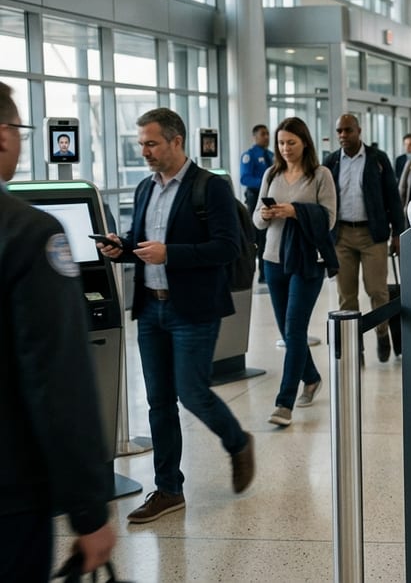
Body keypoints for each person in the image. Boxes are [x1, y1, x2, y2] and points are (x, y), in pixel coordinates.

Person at [95, 107, 255, 522]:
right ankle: (168, 489)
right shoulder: (145, 189)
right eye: (141, 144)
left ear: (176, 141)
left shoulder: (210, 188)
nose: (144, 151)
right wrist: (121, 247)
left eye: (151, 143)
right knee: (159, 402)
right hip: (151, 308)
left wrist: (171, 254)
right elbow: (142, 244)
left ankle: (238, 441)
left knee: (192, 392)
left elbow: (228, 247)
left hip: (193, 310)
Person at [0, 82, 116, 578]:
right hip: (10, 496)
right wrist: (89, 509)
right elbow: (58, 378)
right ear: (3, 136)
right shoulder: (29, 233)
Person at [255, 117, 338, 426]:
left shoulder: (320, 175)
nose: (285, 148)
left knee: (294, 329)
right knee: (288, 332)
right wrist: (266, 214)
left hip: (306, 261)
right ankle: (312, 377)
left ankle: (284, 403)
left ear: (304, 142)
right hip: (273, 259)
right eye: (281, 143)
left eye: (291, 142)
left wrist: (295, 211)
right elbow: (256, 220)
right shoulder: (271, 174)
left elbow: (329, 219)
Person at [324, 114, 403, 362]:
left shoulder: (378, 159)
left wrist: (398, 233)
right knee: (346, 294)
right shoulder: (331, 161)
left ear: (359, 131)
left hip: (372, 234)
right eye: (339, 131)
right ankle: (353, 345)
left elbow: (393, 197)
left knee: (377, 290)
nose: (343, 135)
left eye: (348, 130)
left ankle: (382, 333)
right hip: (342, 235)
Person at [240, 124, 273, 283]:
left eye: (267, 134)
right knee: (258, 236)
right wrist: (265, 183)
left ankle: (268, 271)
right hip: (255, 198)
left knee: (269, 235)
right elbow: (245, 178)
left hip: (271, 198)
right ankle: (261, 273)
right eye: (262, 134)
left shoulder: (271, 155)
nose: (266, 137)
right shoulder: (249, 156)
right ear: (255, 137)